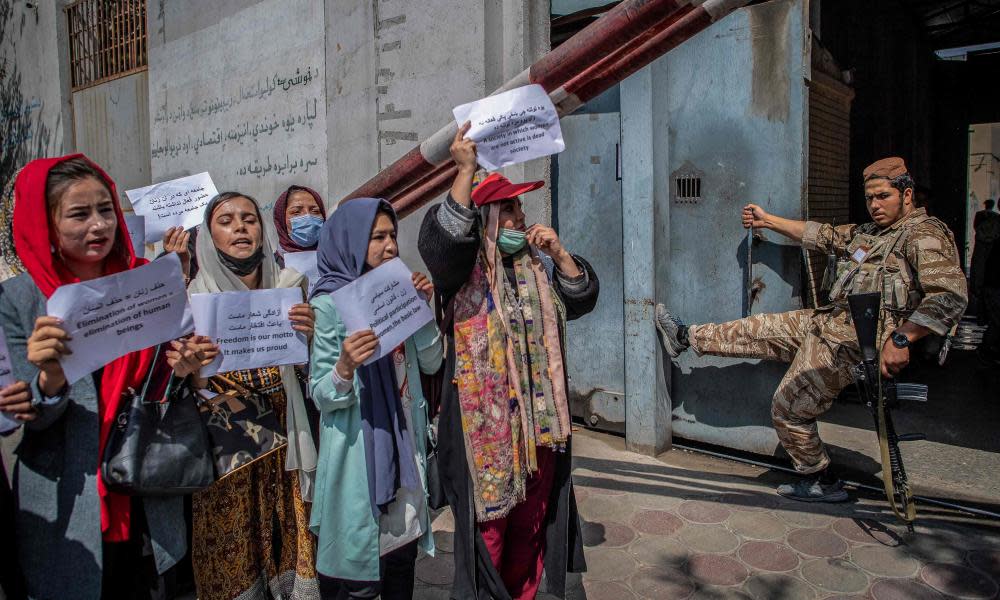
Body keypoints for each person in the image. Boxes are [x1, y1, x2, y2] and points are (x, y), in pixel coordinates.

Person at [655, 157, 968, 502]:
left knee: (788, 407)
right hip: (827, 322)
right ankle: (683, 337)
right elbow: (822, 235)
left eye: (883, 196)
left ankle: (821, 479)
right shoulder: (871, 234)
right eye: (870, 198)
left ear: (907, 194)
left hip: (850, 345)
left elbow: (950, 296)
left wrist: (901, 338)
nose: (875, 205)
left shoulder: (923, 235)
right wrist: (767, 221)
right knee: (755, 329)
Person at [417, 123, 598, 600]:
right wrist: (465, 171)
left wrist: (559, 253)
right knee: (490, 532)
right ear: (488, 218)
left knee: (533, 523)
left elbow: (580, 299)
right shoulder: (464, 274)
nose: (519, 217)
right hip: (488, 440)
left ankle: (524, 592)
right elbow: (440, 246)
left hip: (540, 434)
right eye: (508, 208)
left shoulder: (535, 269)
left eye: (519, 206)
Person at [0, 155, 190, 599]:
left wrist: (187, 366)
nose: (100, 225)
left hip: (145, 486)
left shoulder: (146, 280)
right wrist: (49, 377)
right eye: (79, 214)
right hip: (69, 497)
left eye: (105, 209)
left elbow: (166, 385)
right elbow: (31, 416)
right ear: (45, 223)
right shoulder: (20, 299)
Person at [171, 191, 320, 600]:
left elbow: (312, 377)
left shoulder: (290, 287)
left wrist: (309, 340)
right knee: (234, 566)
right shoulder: (191, 304)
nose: (240, 226)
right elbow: (179, 392)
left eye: (249, 219)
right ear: (208, 236)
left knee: (291, 550)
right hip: (229, 461)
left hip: (287, 451)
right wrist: (192, 371)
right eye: (226, 220)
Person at [307, 197, 442, 600]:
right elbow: (322, 394)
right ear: (350, 242)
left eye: (392, 236)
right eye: (376, 237)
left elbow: (433, 362)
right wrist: (345, 366)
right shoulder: (329, 304)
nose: (389, 247)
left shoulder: (398, 292)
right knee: (361, 578)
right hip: (359, 454)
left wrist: (423, 309)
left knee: (401, 562)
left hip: (404, 446)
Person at [273, 185, 327, 256]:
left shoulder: (337, 262)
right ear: (281, 220)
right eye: (296, 212)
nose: (308, 216)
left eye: (315, 211)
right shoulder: (270, 265)